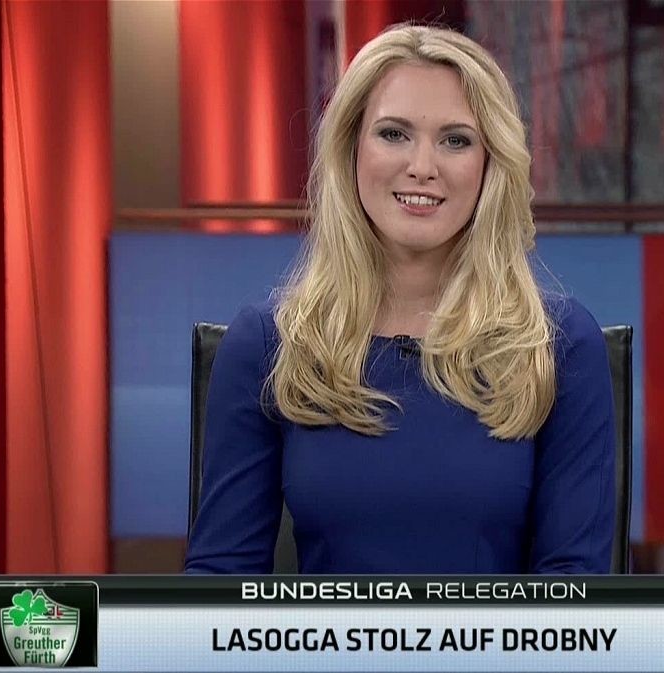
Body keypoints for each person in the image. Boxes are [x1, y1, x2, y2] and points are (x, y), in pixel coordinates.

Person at [185, 24, 615, 574]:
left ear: (491, 164)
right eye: (393, 134)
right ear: (351, 150)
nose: (422, 167)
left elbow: (575, 590)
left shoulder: (557, 346)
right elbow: (220, 587)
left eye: (456, 140)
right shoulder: (268, 346)